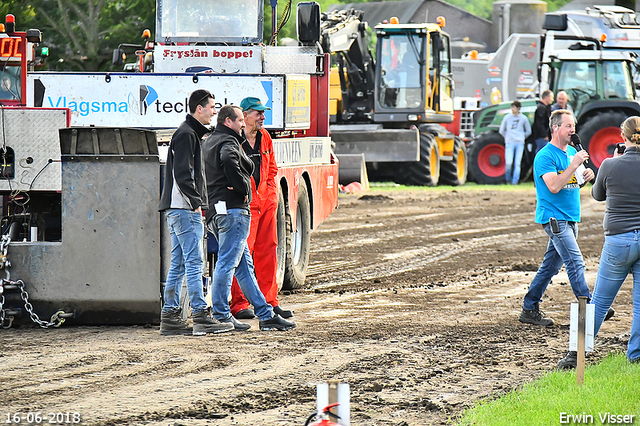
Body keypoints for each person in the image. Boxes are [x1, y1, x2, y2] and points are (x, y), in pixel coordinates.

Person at [202, 105, 296, 332]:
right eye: (239, 121)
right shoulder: (228, 142)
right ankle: (223, 315)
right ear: (229, 122)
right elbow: (229, 159)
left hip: (217, 210)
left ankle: (265, 314)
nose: (243, 125)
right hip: (234, 211)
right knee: (227, 263)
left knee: (244, 266)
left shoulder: (208, 141)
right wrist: (244, 187)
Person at [557, 116, 640, 369]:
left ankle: (576, 354)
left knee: (600, 301)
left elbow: (597, 194)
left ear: (622, 137)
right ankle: (636, 355)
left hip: (618, 239)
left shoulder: (609, 164)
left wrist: (615, 160)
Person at [159, 89, 233, 336]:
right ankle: (201, 315)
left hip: (177, 209)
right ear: (198, 108)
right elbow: (183, 174)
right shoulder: (187, 135)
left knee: (179, 262)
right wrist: (196, 203)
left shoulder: (188, 133)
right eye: (212, 107)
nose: (214, 111)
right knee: (194, 262)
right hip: (184, 210)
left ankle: (170, 316)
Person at [519, 109, 596, 327]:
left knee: (550, 267)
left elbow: (571, 182)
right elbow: (553, 186)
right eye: (568, 126)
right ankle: (590, 307)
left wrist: (585, 177)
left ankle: (529, 307)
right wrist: (574, 165)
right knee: (575, 261)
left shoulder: (572, 152)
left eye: (574, 126)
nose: (573, 130)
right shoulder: (545, 155)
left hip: (571, 217)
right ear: (556, 128)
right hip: (554, 218)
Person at [230, 97, 293, 320]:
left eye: (263, 113)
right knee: (242, 254)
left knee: (268, 250)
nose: (262, 117)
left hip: (266, 202)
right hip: (246, 204)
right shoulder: (234, 140)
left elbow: (272, 168)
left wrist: (270, 195)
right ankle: (239, 304)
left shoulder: (265, 137)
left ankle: (269, 301)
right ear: (245, 116)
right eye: (258, 113)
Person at [499, 100, 531, 185]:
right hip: (510, 142)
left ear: (518, 108)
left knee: (517, 163)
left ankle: (514, 181)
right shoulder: (507, 117)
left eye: (514, 107)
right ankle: (508, 179)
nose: (512, 109)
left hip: (519, 143)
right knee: (508, 162)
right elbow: (501, 130)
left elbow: (528, 130)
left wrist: (522, 137)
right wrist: (507, 137)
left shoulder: (523, 118)